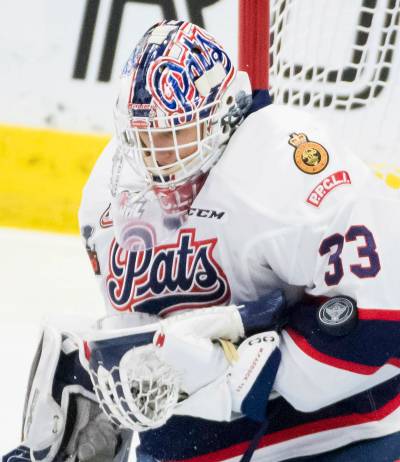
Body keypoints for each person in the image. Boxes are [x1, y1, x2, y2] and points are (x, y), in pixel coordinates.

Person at [5, 19, 400, 462]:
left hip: (337, 434)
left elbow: (380, 322)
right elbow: (144, 340)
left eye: (175, 135)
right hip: (204, 443)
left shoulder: (288, 171)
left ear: (225, 112)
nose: (160, 161)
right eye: (145, 138)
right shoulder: (110, 194)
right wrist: (118, 386)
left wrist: (235, 379)